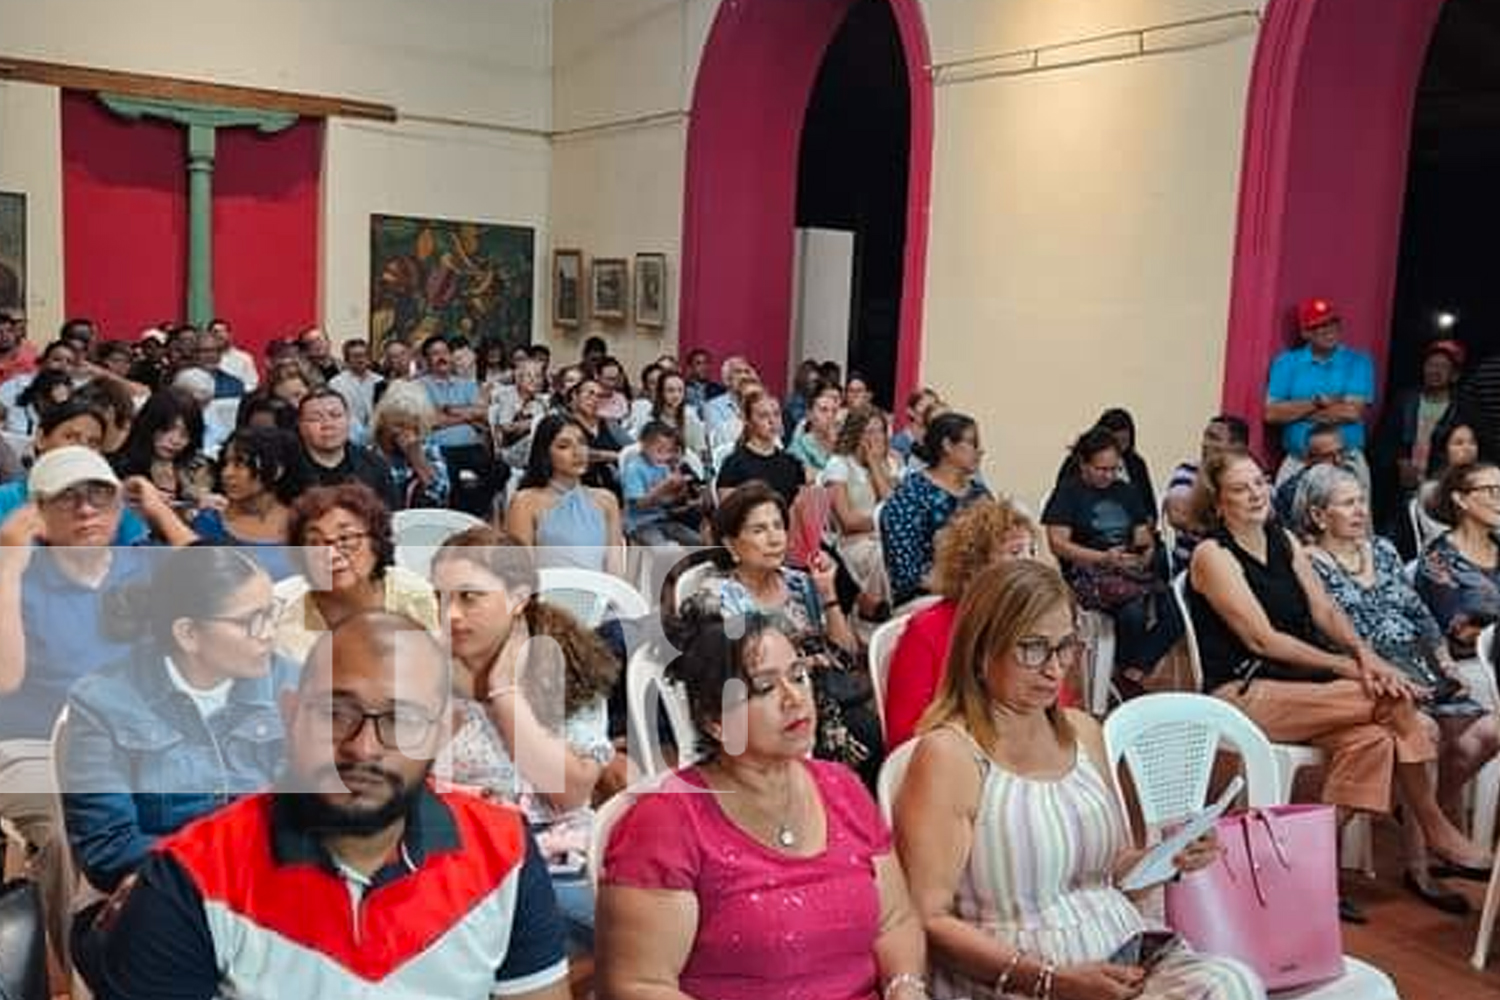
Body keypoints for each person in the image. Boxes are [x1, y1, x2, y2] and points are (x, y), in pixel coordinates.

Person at [75, 611, 571, 1000]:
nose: (363, 748)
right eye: (334, 713)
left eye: (401, 720)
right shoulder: (192, 876)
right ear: (290, 716)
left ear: (444, 733)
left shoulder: (504, 850)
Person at [896, 560, 1264, 1000]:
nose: (1054, 669)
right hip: (1015, 979)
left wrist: (1168, 856)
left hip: (1121, 957)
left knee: (1234, 984)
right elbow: (929, 917)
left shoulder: (1081, 732)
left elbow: (1113, 870)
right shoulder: (950, 755)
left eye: (1066, 646)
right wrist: (1051, 979)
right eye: (1032, 648)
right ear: (980, 653)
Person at [1187, 450, 1491, 913]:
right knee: (1393, 700)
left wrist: (1365, 656)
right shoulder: (1212, 554)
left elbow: (1325, 612)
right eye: (1240, 488)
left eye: (1260, 482)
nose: (1256, 494)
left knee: (1372, 739)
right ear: (1217, 502)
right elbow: (1263, 640)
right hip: (1241, 694)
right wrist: (1353, 670)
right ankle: (1434, 826)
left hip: (1301, 689)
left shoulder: (1282, 539)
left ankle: (1301, 868)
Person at [598, 606, 926, 1000]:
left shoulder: (842, 788)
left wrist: (904, 986)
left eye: (798, 676)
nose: (794, 699)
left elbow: (895, 921)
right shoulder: (668, 822)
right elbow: (640, 985)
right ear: (715, 720)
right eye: (764, 688)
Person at [0, 447, 187, 967]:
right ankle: (75, 969)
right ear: (38, 510)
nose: (86, 511)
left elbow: (232, 586)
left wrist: (160, 513)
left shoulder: (141, 566)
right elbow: (5, 677)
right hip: (31, 740)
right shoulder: (18, 574)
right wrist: (9, 563)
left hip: (135, 741)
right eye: (68, 499)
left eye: (99, 496)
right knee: (62, 833)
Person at [1295, 464, 1500, 913]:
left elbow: (1419, 611)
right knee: (1422, 729)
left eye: (1362, 500)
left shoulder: (1383, 550)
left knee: (1486, 730)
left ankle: (1424, 818)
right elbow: (1327, 632)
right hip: (1366, 676)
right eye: (1347, 503)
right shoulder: (1310, 562)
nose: (1360, 510)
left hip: (1420, 666)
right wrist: (1387, 670)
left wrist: (1444, 659)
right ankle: (1422, 861)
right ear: (1317, 514)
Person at [61, 548, 292, 895]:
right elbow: (108, 850)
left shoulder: (298, 685)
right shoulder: (102, 702)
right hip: (161, 898)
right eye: (251, 621)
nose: (269, 632)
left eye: (272, 612)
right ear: (188, 634)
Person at [432, 527, 620, 951]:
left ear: (518, 598)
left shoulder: (569, 666)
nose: (450, 615)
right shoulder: (425, 668)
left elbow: (568, 793)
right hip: (457, 861)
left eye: (468, 597)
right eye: (440, 598)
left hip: (559, 858)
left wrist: (504, 693)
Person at [690, 483, 877, 778]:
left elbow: (847, 655)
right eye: (759, 530)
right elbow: (731, 682)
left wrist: (827, 593)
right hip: (763, 709)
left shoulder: (800, 583)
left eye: (778, 526)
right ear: (730, 544)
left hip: (822, 699)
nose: (775, 538)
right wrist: (806, 664)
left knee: (868, 731)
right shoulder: (717, 599)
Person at [884, 498, 1045, 748]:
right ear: (974, 569)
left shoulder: (1035, 625)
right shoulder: (926, 631)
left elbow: (1055, 710)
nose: (1031, 563)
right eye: (1016, 552)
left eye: (1033, 551)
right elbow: (905, 736)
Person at [1044, 426, 1183, 689]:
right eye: (1101, 469)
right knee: (1134, 613)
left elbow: (1143, 534)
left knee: (1177, 612)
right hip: (1088, 572)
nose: (1108, 475)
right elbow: (1058, 544)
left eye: (1114, 469)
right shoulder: (1069, 492)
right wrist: (1102, 558)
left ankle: (1131, 672)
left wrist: (1145, 552)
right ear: (1083, 464)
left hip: (1128, 571)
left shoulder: (1126, 491)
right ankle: (1125, 675)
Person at [273, 483, 438, 664]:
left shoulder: (414, 595)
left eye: (346, 539)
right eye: (314, 543)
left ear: (376, 541)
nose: (331, 555)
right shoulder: (280, 607)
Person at [880, 413, 991, 608]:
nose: (980, 451)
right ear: (948, 446)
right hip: (929, 598)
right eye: (973, 443)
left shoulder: (979, 494)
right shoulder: (912, 495)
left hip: (978, 593)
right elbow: (907, 574)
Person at [1264, 296, 1375, 488]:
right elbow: (1272, 414)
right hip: (1298, 461)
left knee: (1350, 516)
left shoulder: (1358, 362)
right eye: (1319, 326)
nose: (1329, 331)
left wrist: (1294, 412)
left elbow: (1351, 412)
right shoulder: (1286, 363)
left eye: (1333, 323)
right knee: (1288, 517)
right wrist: (1317, 403)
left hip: (1345, 462)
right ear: (1305, 333)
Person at [506, 414, 625, 575]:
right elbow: (521, 570)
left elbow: (615, 567)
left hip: (600, 595)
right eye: (564, 446)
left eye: (582, 443)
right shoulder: (525, 501)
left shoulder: (606, 500)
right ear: (545, 453)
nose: (578, 452)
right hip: (547, 596)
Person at [190, 427, 301, 581]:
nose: (227, 473)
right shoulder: (209, 522)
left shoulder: (303, 522)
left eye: (240, 464)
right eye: (226, 463)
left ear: (276, 470)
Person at [1417, 461, 1500, 660]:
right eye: (1491, 490)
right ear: (1461, 499)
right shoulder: (1437, 560)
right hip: (1473, 664)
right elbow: (1458, 634)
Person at [824, 406, 900, 613]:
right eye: (870, 432)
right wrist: (881, 522)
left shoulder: (890, 464)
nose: (877, 437)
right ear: (856, 434)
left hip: (881, 538)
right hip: (852, 543)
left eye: (881, 431)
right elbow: (847, 521)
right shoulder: (839, 465)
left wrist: (875, 464)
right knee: (884, 554)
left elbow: (895, 509)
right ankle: (875, 614)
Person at [420, 336, 495, 516]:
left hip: (473, 449)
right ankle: (460, 523)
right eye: (435, 353)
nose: (441, 357)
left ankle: (475, 520)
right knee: (461, 482)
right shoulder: (419, 386)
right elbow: (429, 420)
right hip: (440, 450)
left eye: (445, 352)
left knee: (500, 470)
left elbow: (482, 413)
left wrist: (447, 410)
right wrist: (466, 417)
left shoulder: (467, 385)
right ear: (426, 359)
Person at [1163, 414, 1250, 570]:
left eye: (1214, 438)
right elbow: (1178, 516)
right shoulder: (1187, 470)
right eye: (1205, 436)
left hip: (1236, 570)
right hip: (1188, 569)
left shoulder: (1255, 478)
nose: (1205, 443)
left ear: (1237, 447)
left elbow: (1256, 523)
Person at [295, 388, 401, 510]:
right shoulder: (289, 471)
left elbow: (392, 516)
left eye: (336, 416)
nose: (327, 425)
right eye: (315, 419)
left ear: (348, 419)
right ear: (301, 426)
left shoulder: (375, 465)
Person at [115, 387, 210, 509]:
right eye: (167, 430)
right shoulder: (123, 466)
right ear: (150, 425)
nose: (175, 441)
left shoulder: (195, 466)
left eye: (185, 434)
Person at [715, 386, 806, 506]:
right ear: (747, 421)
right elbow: (729, 516)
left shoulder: (793, 463)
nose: (772, 421)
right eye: (764, 415)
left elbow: (799, 510)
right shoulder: (733, 465)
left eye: (776, 414)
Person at [369, 379, 450, 510]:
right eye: (398, 425)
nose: (406, 433)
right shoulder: (368, 450)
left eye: (413, 427)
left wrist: (417, 457)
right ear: (383, 420)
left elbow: (440, 496)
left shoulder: (426, 446)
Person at [622, 422, 704, 547]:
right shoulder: (634, 469)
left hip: (664, 519)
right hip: (640, 524)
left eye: (668, 451)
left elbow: (668, 502)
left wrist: (680, 489)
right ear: (643, 444)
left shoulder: (663, 467)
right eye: (659, 450)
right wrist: (664, 486)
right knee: (663, 549)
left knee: (699, 543)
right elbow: (640, 504)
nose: (665, 456)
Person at [1413, 421, 1479, 548]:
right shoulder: (1431, 490)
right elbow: (1438, 534)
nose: (1468, 448)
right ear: (1443, 450)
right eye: (1459, 443)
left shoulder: (1486, 484)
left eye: (1472, 442)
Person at [1271, 421, 1350, 525]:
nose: (1338, 460)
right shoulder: (1291, 492)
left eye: (1341, 452)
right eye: (1328, 455)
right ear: (1309, 459)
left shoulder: (1350, 479)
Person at [565, 376, 631, 496]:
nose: (594, 399)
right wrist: (613, 456)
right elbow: (573, 452)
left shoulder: (609, 424)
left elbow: (632, 448)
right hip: (578, 489)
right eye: (590, 394)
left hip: (615, 490)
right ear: (575, 396)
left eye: (599, 396)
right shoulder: (564, 422)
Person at [328, 338, 383, 442]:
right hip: (348, 437)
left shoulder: (380, 381)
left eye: (364, 355)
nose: (361, 359)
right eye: (355, 356)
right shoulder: (336, 383)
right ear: (347, 359)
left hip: (378, 437)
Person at [651, 369, 708, 467]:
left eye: (680, 390)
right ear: (660, 392)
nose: (676, 395)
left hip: (687, 469)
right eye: (670, 390)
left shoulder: (691, 418)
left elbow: (700, 455)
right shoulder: (650, 420)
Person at [787, 381, 841, 473]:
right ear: (809, 414)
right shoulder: (798, 448)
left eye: (834, 411)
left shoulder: (841, 445)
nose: (830, 415)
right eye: (823, 410)